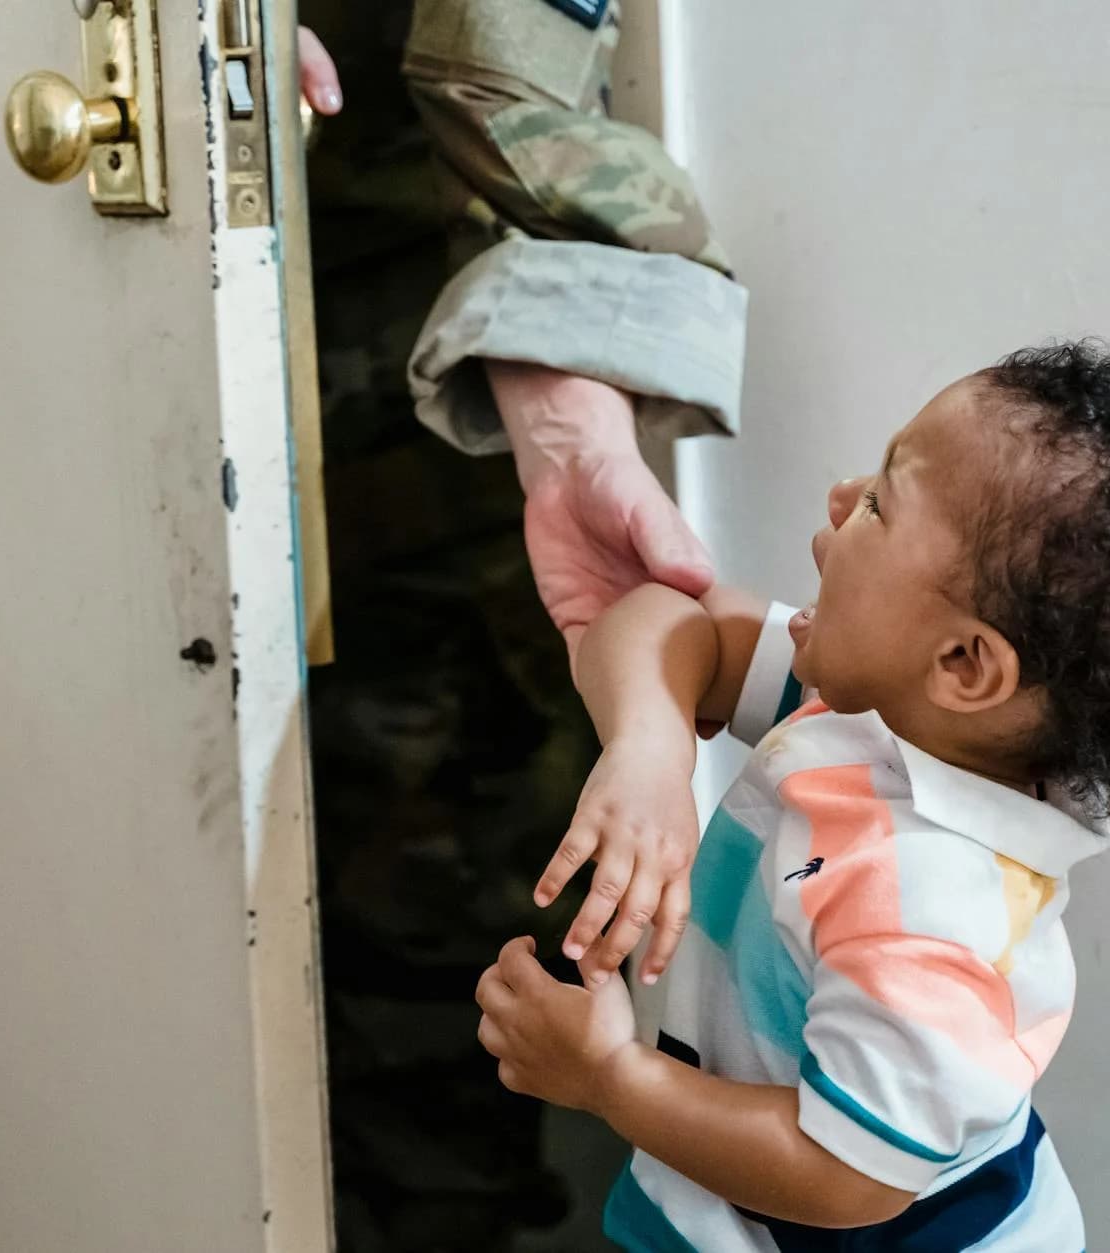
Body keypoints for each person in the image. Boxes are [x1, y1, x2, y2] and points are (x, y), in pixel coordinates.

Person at [477, 343, 1110, 1250]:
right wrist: (649, 749)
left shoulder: (929, 919)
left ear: (963, 663)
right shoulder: (882, 715)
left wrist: (609, 1075)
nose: (841, 496)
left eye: (881, 502)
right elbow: (665, 620)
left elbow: (844, 1176)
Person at [293, 3, 746, 1249]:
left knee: (445, 894)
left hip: (439, 359)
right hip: (133, 299)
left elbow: (504, 62)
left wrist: (566, 423)